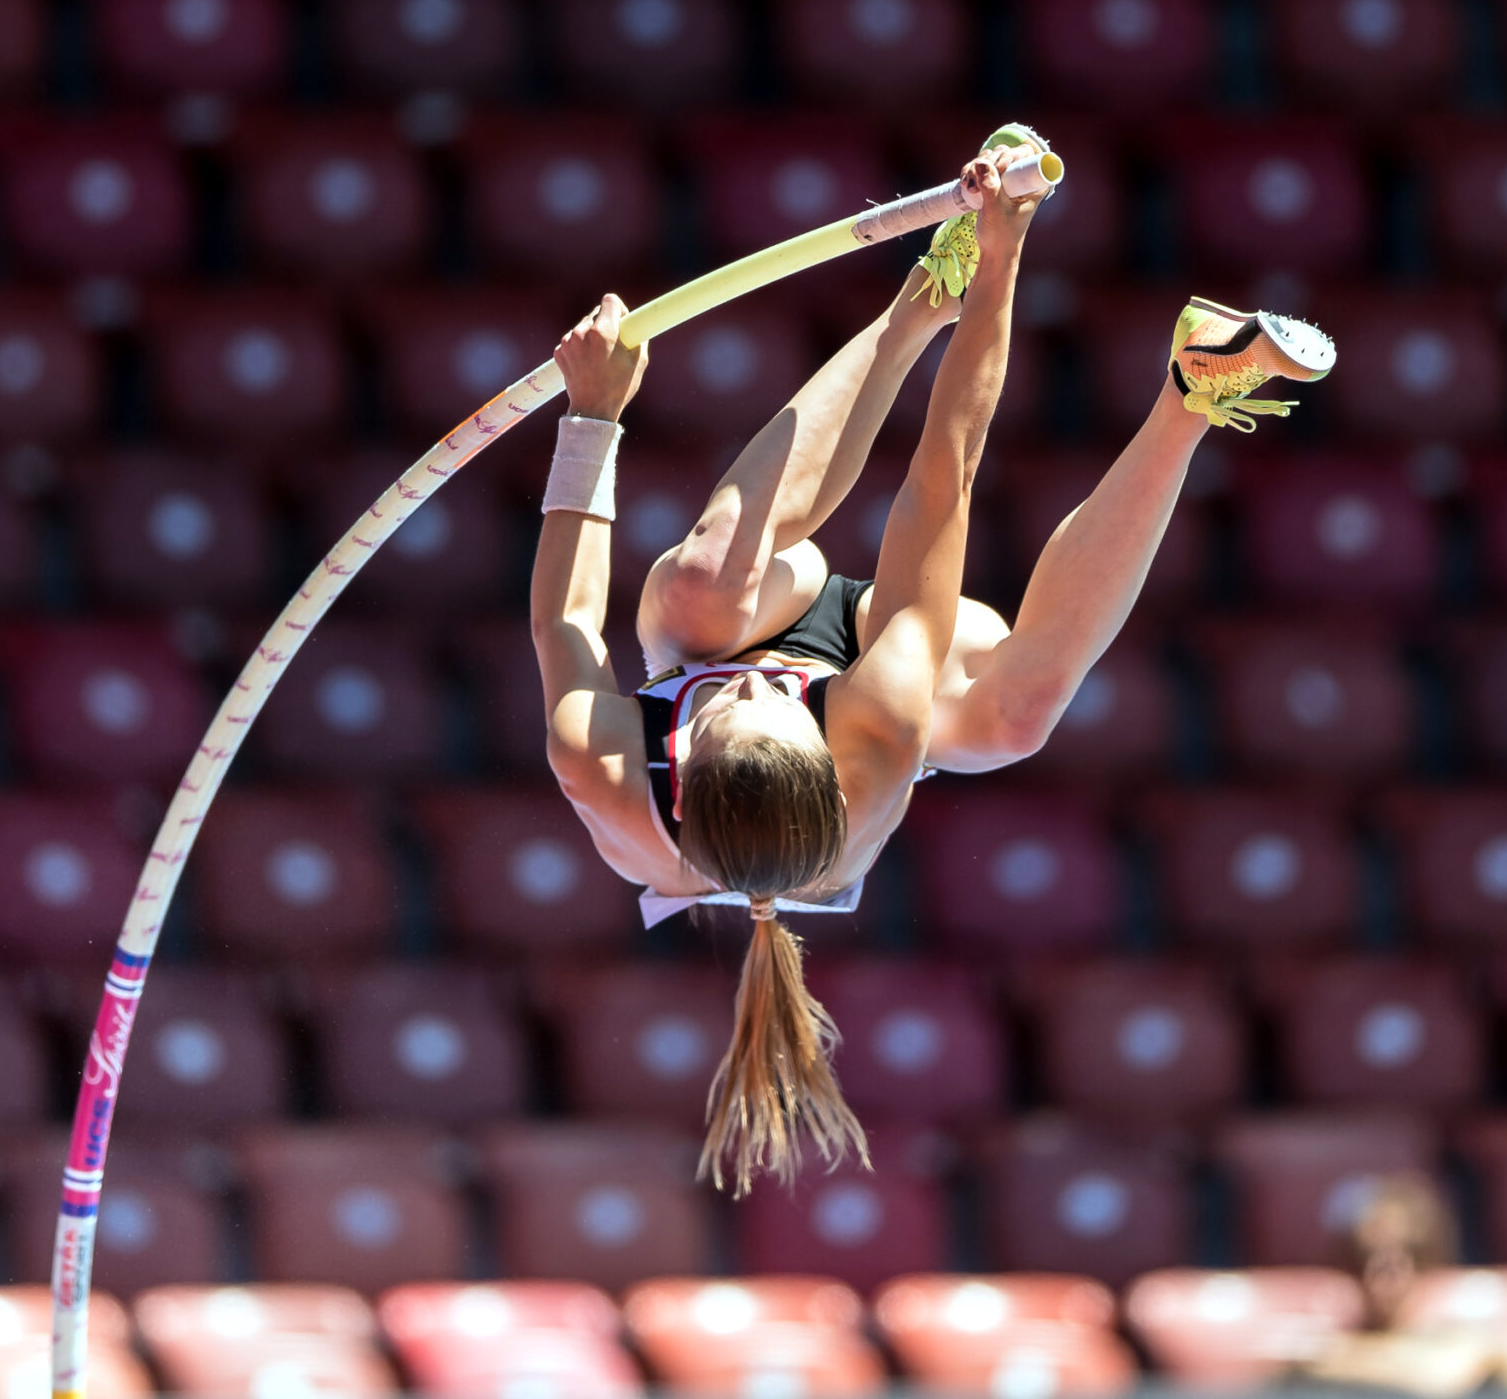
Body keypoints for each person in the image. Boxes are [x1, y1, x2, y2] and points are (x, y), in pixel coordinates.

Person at [528, 137, 1335, 1193]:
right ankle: (1191, 393)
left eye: (751, 698)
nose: (774, 680)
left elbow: (567, 620)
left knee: (702, 582)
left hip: (734, 613)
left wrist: (593, 416)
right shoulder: (874, 735)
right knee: (1014, 719)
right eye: (787, 702)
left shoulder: (603, 766)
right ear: (822, 752)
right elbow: (942, 481)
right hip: (882, 674)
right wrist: (1006, 259)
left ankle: (919, 297)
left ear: (677, 748)